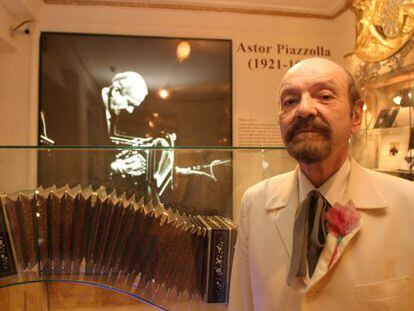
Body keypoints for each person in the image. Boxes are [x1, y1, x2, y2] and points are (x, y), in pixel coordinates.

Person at [229, 58, 414, 310]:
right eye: (290, 101)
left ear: (356, 115)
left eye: (325, 96)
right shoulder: (255, 203)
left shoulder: (408, 205)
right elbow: (242, 304)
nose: (304, 109)